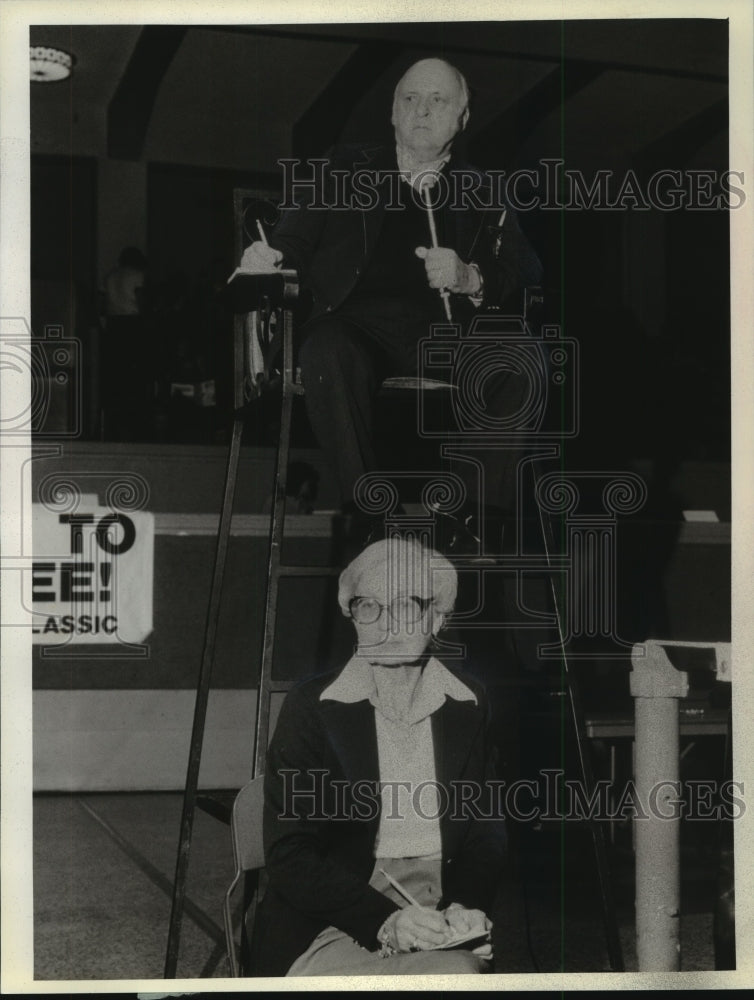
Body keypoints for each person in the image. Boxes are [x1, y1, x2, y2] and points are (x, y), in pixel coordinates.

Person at [239, 58, 542, 545]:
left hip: (449, 335)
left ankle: (467, 516)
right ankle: (374, 511)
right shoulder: (344, 168)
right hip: (357, 329)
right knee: (327, 349)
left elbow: (526, 270)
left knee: (523, 356)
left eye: (437, 100)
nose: (422, 110)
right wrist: (268, 254)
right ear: (393, 113)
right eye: (410, 99)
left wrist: (471, 276)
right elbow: (291, 241)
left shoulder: (486, 190)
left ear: (463, 118)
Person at [251, 537, 507, 977]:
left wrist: (468, 903)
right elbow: (290, 855)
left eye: (406, 605)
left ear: (439, 617)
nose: (386, 625)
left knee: (458, 976)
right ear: (353, 618)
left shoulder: (468, 704)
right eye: (369, 606)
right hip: (327, 919)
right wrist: (385, 921)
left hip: (435, 916)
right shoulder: (312, 706)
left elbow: (484, 833)